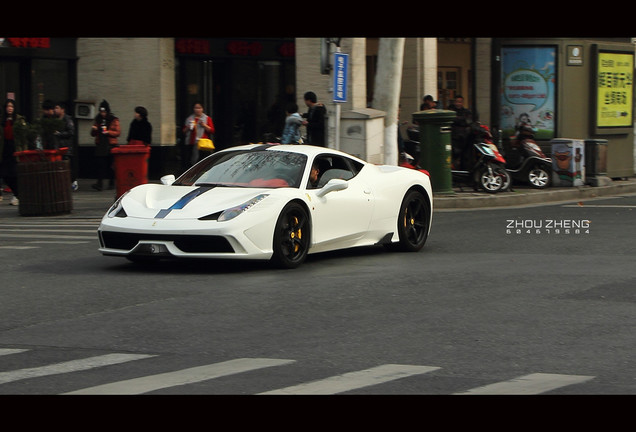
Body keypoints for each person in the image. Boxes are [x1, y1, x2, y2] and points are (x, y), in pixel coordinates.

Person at [0, 99, 26, 206]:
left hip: (15, 148)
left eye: (11, 106)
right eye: (8, 106)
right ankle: (16, 193)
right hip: (4, 149)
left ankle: (17, 195)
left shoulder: (19, 120)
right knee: (5, 174)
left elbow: (23, 136)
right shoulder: (2, 120)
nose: (9, 108)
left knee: (14, 174)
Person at [90, 100, 120, 191]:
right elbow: (93, 134)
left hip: (110, 144)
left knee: (111, 165)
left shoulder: (113, 119)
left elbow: (118, 132)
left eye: (104, 112)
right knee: (100, 165)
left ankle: (112, 183)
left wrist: (108, 132)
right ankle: (99, 183)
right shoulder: (98, 119)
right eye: (101, 111)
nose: (102, 113)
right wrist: (94, 129)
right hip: (100, 144)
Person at [182, 101, 214, 170]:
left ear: (202, 109)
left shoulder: (207, 118)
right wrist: (188, 127)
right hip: (191, 142)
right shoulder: (189, 119)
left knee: (202, 160)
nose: (197, 110)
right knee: (191, 159)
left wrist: (204, 125)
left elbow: (212, 130)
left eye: (199, 108)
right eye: (196, 108)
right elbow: (184, 131)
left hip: (202, 144)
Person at [54, 102, 77, 191]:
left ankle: (72, 181)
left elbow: (71, 132)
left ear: (62, 109)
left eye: (57, 108)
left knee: (67, 166)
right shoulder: (55, 119)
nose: (55, 110)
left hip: (66, 147)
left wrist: (60, 134)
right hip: (58, 147)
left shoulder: (67, 119)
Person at [449, 95, 473, 169]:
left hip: (464, 138)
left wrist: (458, 120)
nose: (458, 104)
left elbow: (468, 121)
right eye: (456, 102)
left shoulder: (466, 111)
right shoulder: (450, 111)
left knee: (464, 156)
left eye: (460, 102)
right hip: (453, 137)